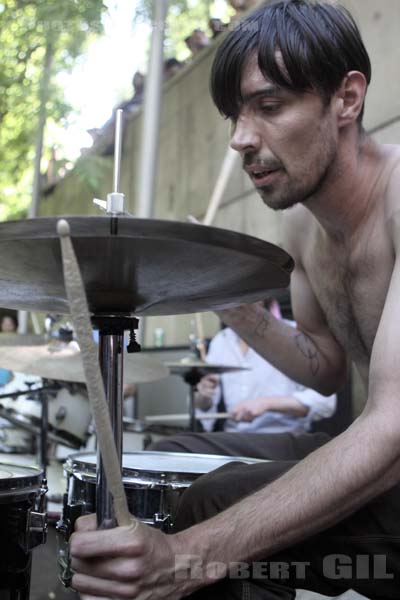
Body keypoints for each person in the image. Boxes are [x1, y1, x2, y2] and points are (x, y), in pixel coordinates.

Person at [69, 2, 400, 598]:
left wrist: (186, 557)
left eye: (269, 107)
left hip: (390, 449)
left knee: (210, 502)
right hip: (370, 441)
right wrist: (227, 299)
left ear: (346, 99)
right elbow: (324, 369)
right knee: (163, 460)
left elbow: (392, 431)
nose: (241, 140)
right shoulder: (304, 229)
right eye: (235, 116)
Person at [195, 298, 336, 434]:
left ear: (264, 297)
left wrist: (267, 403)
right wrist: (204, 398)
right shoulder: (221, 341)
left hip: (283, 437)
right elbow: (206, 410)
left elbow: (326, 402)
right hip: (234, 436)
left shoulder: (295, 335)